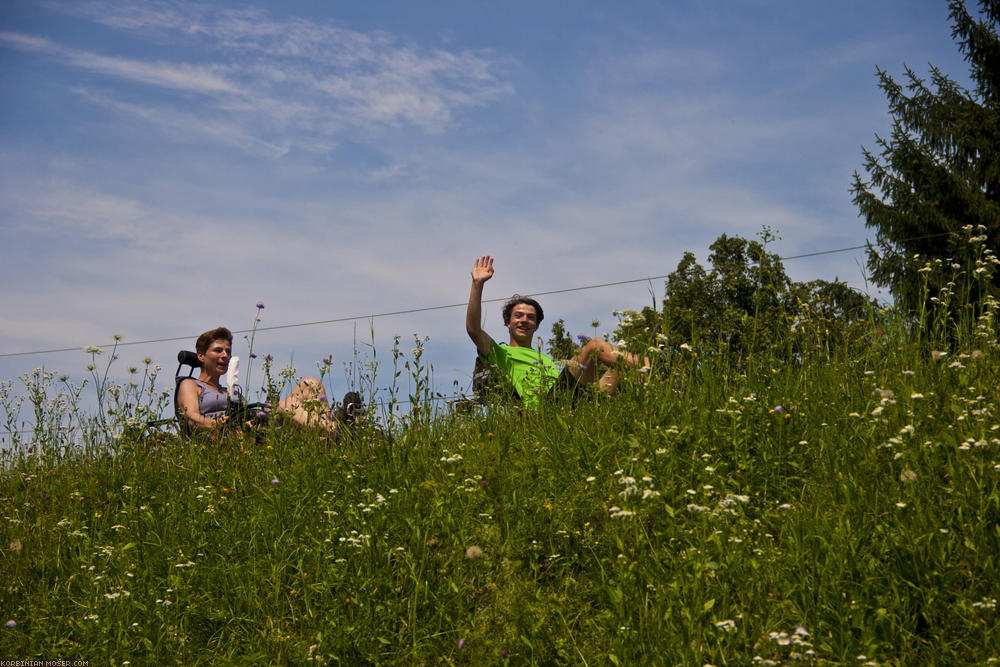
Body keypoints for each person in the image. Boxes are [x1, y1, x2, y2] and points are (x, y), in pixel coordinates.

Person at [465, 256, 649, 406]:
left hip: (575, 402)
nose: (524, 320)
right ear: (508, 323)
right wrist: (477, 285)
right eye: (518, 316)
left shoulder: (544, 359)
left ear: (536, 326)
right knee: (594, 347)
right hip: (547, 408)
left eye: (530, 317)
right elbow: (473, 329)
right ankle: (653, 365)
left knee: (622, 368)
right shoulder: (501, 353)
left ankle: (657, 389)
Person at [176, 326, 351, 435]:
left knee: (311, 384)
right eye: (218, 351)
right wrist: (219, 424)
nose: (225, 356)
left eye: (228, 352)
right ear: (201, 355)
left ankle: (330, 431)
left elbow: (247, 417)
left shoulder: (232, 391)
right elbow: (190, 418)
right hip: (228, 437)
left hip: (255, 430)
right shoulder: (190, 384)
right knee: (284, 406)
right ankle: (339, 430)